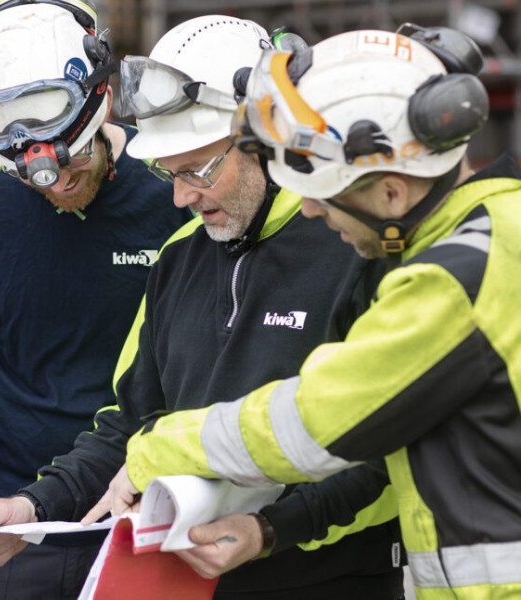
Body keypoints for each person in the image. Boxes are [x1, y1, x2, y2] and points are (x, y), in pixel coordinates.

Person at [0, 16, 405, 599]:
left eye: (198, 170)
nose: (180, 197)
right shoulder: (179, 259)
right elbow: (129, 423)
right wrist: (33, 504)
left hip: (339, 580)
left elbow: (386, 447)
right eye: (167, 174)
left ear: (268, 142)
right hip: (190, 583)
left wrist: (271, 530)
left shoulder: (357, 251)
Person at [113, 25, 521, 599]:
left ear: (392, 192)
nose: (306, 209)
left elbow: (315, 421)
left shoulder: (456, 279)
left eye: (323, 191)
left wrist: (157, 447)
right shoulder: (499, 236)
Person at [0, 2, 190, 598]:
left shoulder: (173, 185)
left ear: (99, 96)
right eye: (24, 172)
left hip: (144, 503)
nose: (49, 179)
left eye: (69, 159)